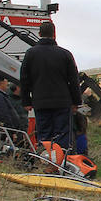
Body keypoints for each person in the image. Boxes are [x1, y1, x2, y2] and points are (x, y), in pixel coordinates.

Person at [19, 20, 80, 150]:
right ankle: (62, 163)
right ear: (54, 34)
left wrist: (26, 101)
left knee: (44, 134)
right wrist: (76, 101)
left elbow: (24, 79)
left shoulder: (31, 54)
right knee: (62, 135)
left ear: (40, 34)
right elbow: (74, 80)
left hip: (40, 102)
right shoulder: (65, 54)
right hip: (62, 102)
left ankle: (46, 161)